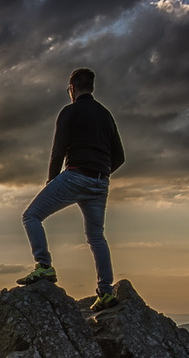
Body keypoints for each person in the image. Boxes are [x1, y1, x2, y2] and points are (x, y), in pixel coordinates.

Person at [16, 67, 124, 310]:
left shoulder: (70, 112)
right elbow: (120, 156)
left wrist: (52, 181)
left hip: (75, 176)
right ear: (92, 88)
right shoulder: (106, 115)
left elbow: (58, 151)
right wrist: (101, 174)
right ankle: (105, 292)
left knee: (31, 216)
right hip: (100, 182)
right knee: (96, 237)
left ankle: (44, 266)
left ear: (72, 89)